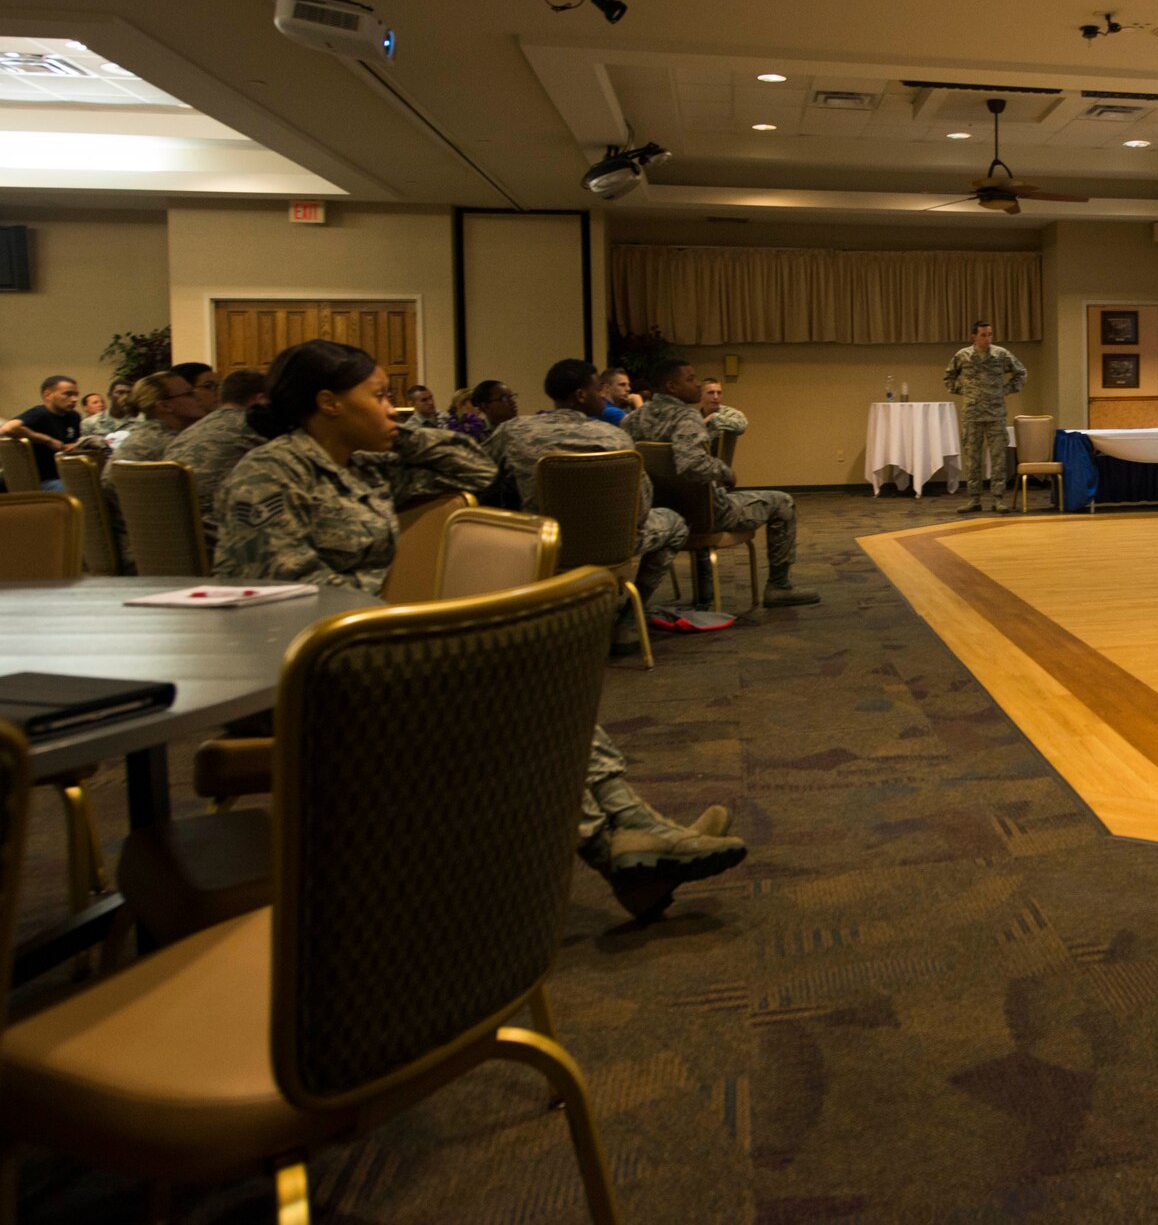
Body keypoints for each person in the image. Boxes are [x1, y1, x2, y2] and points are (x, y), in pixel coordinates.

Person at [213, 339, 742, 918]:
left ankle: (631, 836)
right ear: (328, 403)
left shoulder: (360, 466)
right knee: (514, 690)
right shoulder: (269, 475)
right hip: (314, 676)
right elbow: (284, 603)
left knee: (539, 680)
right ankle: (628, 836)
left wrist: (403, 435)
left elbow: (477, 468)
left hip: (373, 657)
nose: (394, 409)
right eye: (381, 397)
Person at [481, 359, 690, 645]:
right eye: (598, 390)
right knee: (675, 524)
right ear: (581, 395)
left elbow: (480, 475)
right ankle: (627, 621)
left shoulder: (514, 432)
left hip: (545, 545)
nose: (603, 396)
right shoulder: (615, 438)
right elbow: (640, 508)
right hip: (611, 546)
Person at [622, 360, 819, 607]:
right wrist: (726, 472)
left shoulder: (632, 421)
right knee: (783, 502)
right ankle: (779, 586)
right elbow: (692, 466)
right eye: (691, 379)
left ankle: (706, 594)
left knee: (699, 499)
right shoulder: (686, 417)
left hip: (661, 514)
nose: (697, 383)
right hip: (708, 515)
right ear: (671, 386)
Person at [102, 370, 208, 566]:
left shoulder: (141, 437)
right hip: (165, 555)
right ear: (164, 406)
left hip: (138, 549)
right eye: (189, 394)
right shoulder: (173, 446)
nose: (198, 397)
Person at [164, 368, 267, 544]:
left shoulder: (187, 432)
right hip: (220, 542)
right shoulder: (252, 426)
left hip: (176, 539)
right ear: (260, 399)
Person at [943, 319, 1026, 513]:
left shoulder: (1000, 355)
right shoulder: (963, 356)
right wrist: (965, 390)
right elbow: (948, 377)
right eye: (983, 335)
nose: (987, 339)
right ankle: (974, 498)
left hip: (995, 413)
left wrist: (1005, 389)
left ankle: (998, 498)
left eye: (989, 335)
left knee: (998, 457)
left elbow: (1021, 373)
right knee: (973, 458)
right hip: (972, 414)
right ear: (974, 336)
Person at [2, 375, 83, 489]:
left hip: (67, 473)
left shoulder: (74, 416)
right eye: (68, 394)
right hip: (43, 480)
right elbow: (7, 428)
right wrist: (46, 440)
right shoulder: (39, 413)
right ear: (48, 395)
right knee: (73, 490)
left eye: (76, 395)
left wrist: (74, 446)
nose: (74, 399)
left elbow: (75, 442)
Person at [699, 377, 749, 445]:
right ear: (700, 395)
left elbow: (741, 426)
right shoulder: (694, 417)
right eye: (711, 392)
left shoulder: (729, 413)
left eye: (719, 393)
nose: (716, 397)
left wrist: (713, 417)